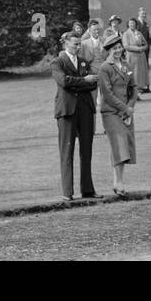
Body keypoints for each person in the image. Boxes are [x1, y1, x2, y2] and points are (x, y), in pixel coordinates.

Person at [53, 31, 99, 202]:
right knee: (67, 151)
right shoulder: (57, 62)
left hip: (85, 109)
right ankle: (67, 192)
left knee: (86, 150)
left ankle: (87, 190)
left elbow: (93, 83)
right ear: (66, 43)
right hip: (67, 111)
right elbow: (64, 82)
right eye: (75, 44)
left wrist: (80, 82)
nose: (78, 47)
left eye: (79, 44)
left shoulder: (83, 62)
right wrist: (83, 81)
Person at [97, 34, 137, 197]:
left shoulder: (127, 65)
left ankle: (118, 181)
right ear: (108, 51)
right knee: (119, 145)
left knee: (125, 145)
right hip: (111, 113)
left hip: (126, 111)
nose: (118, 51)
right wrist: (124, 109)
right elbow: (107, 94)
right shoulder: (105, 68)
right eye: (114, 49)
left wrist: (130, 107)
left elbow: (134, 88)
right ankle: (118, 182)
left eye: (119, 47)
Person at [123, 18, 151, 93]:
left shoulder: (139, 33)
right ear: (128, 24)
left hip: (140, 58)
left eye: (133, 23)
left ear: (136, 24)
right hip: (131, 57)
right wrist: (138, 49)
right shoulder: (126, 34)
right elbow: (126, 46)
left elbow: (145, 44)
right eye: (130, 23)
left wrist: (143, 48)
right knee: (132, 74)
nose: (132, 24)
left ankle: (138, 91)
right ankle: (132, 92)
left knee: (139, 75)